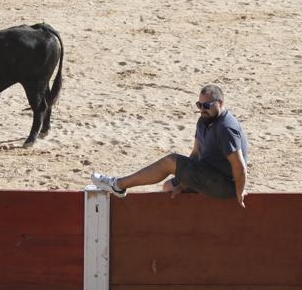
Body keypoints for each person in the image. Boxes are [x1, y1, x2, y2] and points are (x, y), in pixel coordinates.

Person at [91, 85, 250, 208]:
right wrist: (185, 182)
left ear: (221, 103)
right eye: (199, 105)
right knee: (168, 187)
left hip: (224, 185)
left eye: (206, 105)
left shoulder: (226, 128)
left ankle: (118, 185)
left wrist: (239, 193)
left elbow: (239, 166)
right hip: (210, 175)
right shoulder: (204, 120)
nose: (202, 110)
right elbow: (196, 154)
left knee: (171, 161)